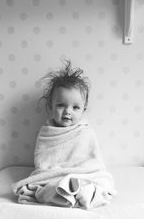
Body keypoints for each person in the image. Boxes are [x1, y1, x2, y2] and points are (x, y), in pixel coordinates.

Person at [12, 60, 116, 209]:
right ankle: (63, 194)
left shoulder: (85, 132)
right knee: (42, 190)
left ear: (83, 109)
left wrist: (81, 175)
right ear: (50, 106)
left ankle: (81, 192)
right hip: (54, 178)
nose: (68, 111)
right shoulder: (46, 133)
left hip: (83, 175)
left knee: (97, 185)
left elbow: (93, 161)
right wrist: (55, 176)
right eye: (61, 105)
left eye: (75, 107)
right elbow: (43, 163)